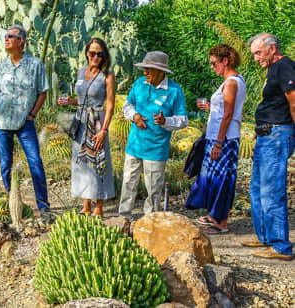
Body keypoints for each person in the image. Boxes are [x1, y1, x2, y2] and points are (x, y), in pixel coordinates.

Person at [241, 33, 295, 260]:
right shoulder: (273, 70)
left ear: (272, 49)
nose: (255, 58)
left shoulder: (285, 66)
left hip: (278, 134)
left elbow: (293, 98)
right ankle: (264, 236)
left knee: (271, 191)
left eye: (258, 53)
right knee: (257, 189)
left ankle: (281, 246)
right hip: (266, 136)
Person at [0, 25, 50, 211]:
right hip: (2, 123)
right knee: (6, 164)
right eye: (5, 36)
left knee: (35, 162)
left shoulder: (35, 65)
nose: (5, 39)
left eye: (10, 36)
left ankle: (44, 205)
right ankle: (12, 201)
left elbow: (43, 92)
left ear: (20, 41)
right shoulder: (0, 67)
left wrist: (32, 115)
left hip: (25, 123)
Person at [118, 51, 188, 219]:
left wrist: (165, 121)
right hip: (134, 145)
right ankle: (124, 217)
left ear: (161, 71)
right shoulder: (139, 84)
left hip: (156, 149)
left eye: (149, 69)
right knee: (128, 183)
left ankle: (151, 221)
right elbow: (127, 105)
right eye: (144, 69)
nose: (145, 73)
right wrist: (134, 116)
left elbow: (183, 120)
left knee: (153, 189)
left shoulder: (174, 91)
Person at [185, 44, 246, 234]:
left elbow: (228, 115)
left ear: (225, 61)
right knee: (213, 177)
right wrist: (212, 107)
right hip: (220, 137)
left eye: (214, 63)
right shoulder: (231, 81)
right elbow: (226, 111)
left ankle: (221, 221)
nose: (213, 67)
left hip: (224, 140)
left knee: (222, 179)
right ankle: (214, 215)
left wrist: (218, 143)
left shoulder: (231, 83)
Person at [58, 37, 115, 217]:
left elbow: (111, 105)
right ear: (87, 54)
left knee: (98, 160)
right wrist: (69, 101)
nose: (95, 57)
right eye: (92, 53)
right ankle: (86, 204)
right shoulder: (81, 72)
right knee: (82, 162)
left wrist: (104, 131)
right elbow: (81, 99)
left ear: (104, 55)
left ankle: (99, 205)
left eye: (99, 54)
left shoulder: (108, 76)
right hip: (80, 120)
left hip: (97, 120)